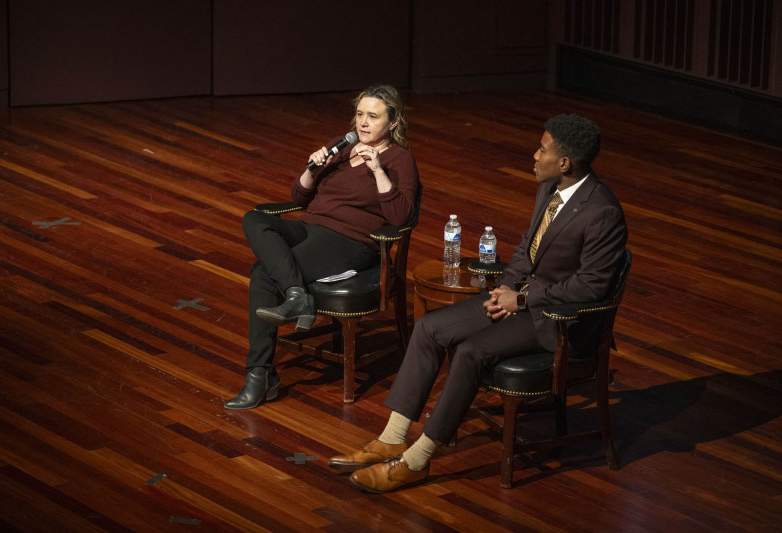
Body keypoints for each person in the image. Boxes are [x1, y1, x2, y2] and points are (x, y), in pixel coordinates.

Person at [328, 113, 628, 492]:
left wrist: (520, 298)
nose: (534, 155)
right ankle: (392, 437)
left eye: (542, 149)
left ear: (565, 162)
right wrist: (504, 289)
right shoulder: (549, 188)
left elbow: (591, 285)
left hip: (557, 320)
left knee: (470, 351)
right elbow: (526, 249)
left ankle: (418, 460)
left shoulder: (603, 212)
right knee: (430, 327)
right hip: (520, 300)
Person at [225, 84, 420, 410]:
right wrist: (311, 169)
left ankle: (259, 376)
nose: (363, 123)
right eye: (360, 114)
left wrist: (377, 171)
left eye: (373, 116)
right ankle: (297, 296)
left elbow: (401, 216)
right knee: (255, 219)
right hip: (311, 227)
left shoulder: (400, 160)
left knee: (262, 273)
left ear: (394, 122)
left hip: (351, 242)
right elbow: (298, 198)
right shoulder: (342, 148)